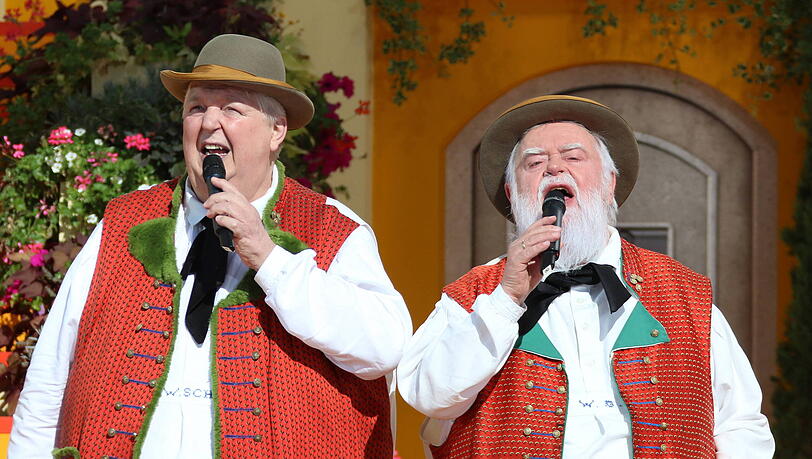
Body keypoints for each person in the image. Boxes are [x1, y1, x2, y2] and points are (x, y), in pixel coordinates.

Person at [9, 34, 411, 459]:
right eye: (197, 107)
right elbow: (50, 376)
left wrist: (270, 259)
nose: (208, 123)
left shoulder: (333, 227)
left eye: (232, 109)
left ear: (277, 131)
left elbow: (385, 347)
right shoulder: (125, 220)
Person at [398, 95, 774, 458]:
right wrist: (505, 299)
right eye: (534, 163)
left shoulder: (683, 292)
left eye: (573, 156)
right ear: (512, 193)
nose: (554, 168)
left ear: (610, 182)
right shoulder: (474, 291)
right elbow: (428, 396)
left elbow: (740, 424)